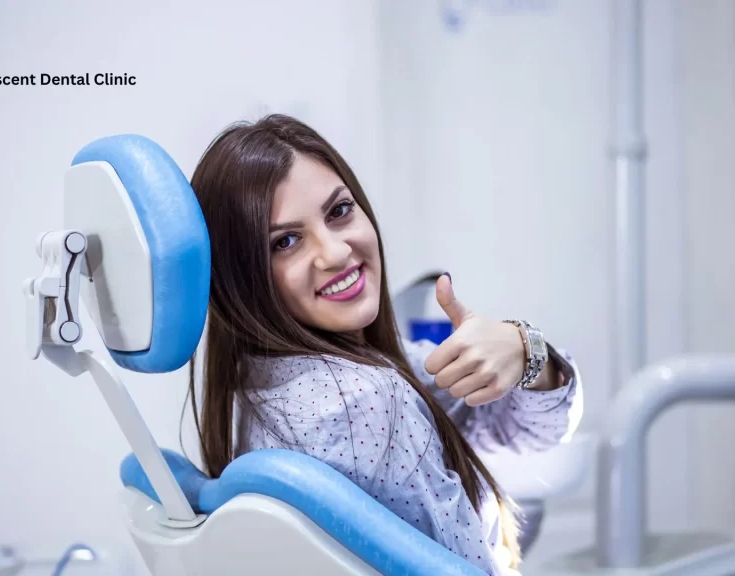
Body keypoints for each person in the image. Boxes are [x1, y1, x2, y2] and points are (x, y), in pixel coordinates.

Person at [185, 114, 583, 575]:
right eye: (286, 241)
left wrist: (524, 351)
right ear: (241, 277)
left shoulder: (263, 383)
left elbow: (536, 430)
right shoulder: (365, 402)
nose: (335, 252)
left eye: (339, 211)